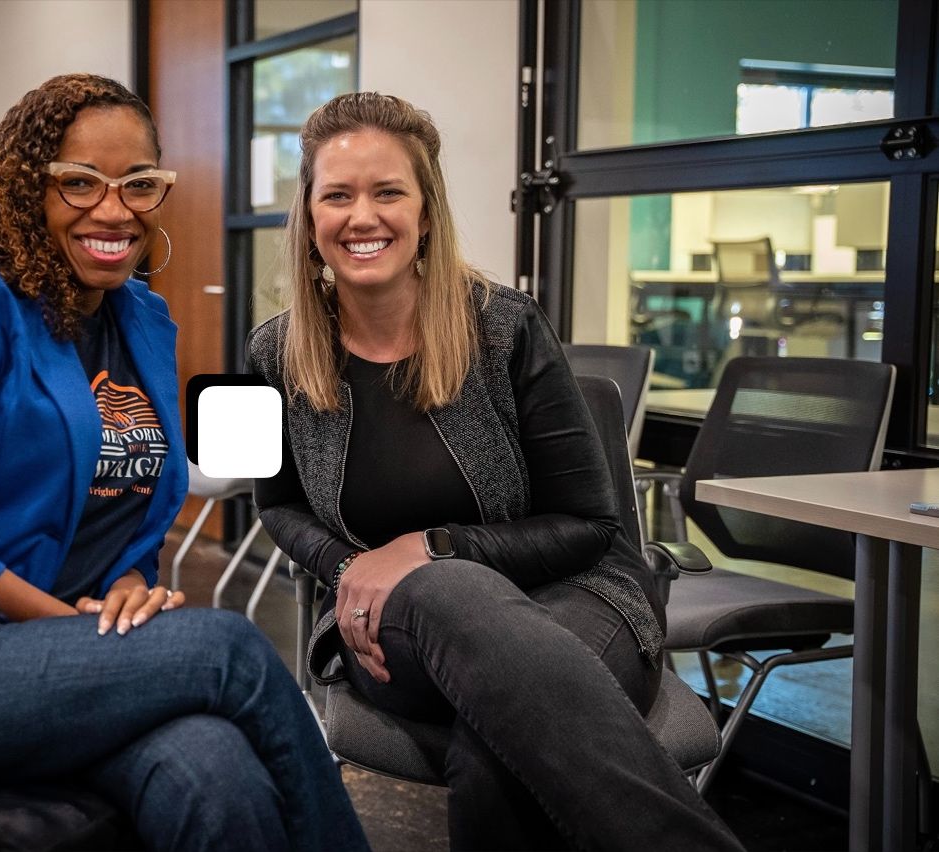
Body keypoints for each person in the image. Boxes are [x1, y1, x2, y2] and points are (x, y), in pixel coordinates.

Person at [0, 74, 368, 852]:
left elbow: (127, 509)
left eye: (139, 184)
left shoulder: (142, 316)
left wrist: (128, 588)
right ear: (25, 186)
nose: (113, 209)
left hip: (60, 654)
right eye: (78, 182)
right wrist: (65, 623)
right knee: (230, 650)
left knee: (215, 771)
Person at [249, 91, 744, 851]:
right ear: (309, 215)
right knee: (447, 599)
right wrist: (356, 566)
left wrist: (429, 549)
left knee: (493, 739)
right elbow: (275, 506)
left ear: (425, 209)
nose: (363, 216)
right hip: (386, 625)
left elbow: (590, 526)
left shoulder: (505, 328)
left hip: (578, 598)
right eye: (338, 195)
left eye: (388, 192)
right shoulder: (270, 355)